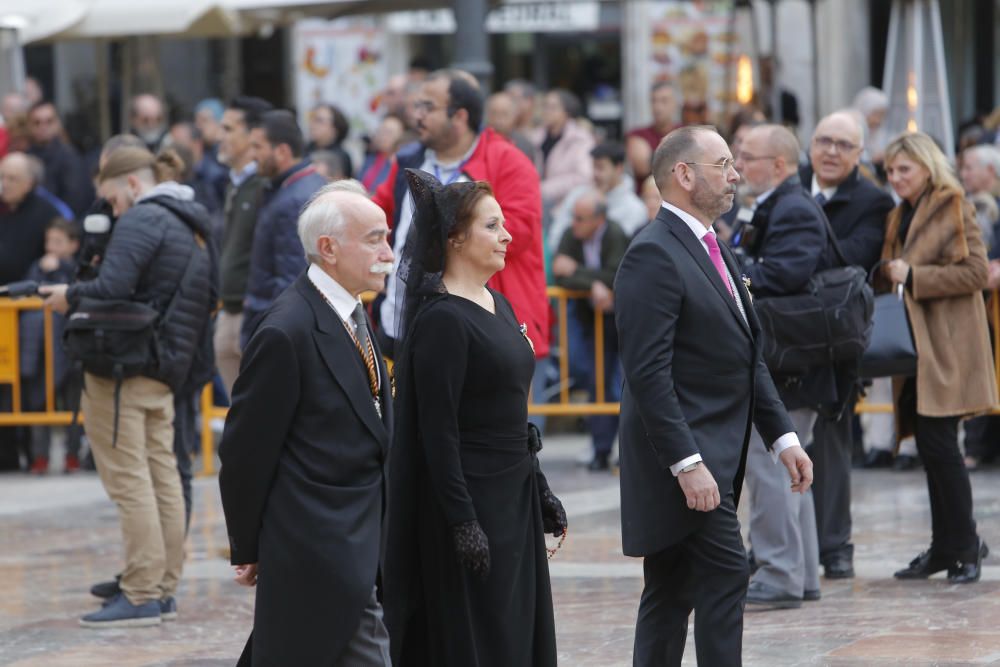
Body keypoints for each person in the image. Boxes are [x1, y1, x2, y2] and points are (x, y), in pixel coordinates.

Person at [615, 125, 812, 666]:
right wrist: (686, 462)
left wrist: (783, 437)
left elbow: (747, 354)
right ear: (683, 175)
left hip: (712, 452)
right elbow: (648, 373)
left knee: (671, 587)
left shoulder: (711, 242)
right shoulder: (652, 253)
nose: (734, 175)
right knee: (726, 571)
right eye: (722, 164)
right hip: (681, 454)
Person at [383, 169, 564, 667]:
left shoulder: (499, 304)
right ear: (455, 238)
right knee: (479, 628)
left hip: (513, 494)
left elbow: (509, 406)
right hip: (470, 498)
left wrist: (539, 486)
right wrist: (462, 521)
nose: (507, 236)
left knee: (516, 623)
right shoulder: (443, 319)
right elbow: (435, 433)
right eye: (492, 226)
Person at [218, 184, 395, 666]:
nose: (388, 253)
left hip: (360, 538)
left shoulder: (352, 312)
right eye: (375, 239)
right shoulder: (286, 329)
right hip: (317, 541)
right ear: (329, 249)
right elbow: (245, 450)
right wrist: (249, 544)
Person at [40, 145, 216, 627]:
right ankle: (161, 586)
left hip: (123, 366)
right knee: (160, 477)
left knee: (129, 480)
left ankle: (140, 592)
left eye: (113, 201)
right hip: (165, 367)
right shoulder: (192, 220)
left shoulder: (144, 218)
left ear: (133, 185)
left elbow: (110, 287)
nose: (113, 211)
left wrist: (67, 295)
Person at [879, 131, 995, 584]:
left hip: (947, 344)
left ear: (927, 167)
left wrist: (916, 276)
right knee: (930, 445)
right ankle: (948, 545)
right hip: (916, 347)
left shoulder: (951, 203)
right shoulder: (900, 214)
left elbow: (976, 272)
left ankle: (964, 546)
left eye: (903, 169)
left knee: (942, 445)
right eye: (890, 170)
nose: (895, 177)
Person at [373, 69, 548, 365]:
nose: (417, 116)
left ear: (460, 117)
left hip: (489, 329)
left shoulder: (508, 161)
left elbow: (516, 234)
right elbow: (379, 216)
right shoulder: (407, 161)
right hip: (404, 323)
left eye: (428, 107)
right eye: (417, 106)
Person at [731, 123, 837, 610]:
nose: (738, 165)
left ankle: (778, 573)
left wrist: (730, 270)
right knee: (795, 467)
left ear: (778, 164)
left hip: (791, 366)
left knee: (771, 463)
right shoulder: (779, 205)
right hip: (793, 365)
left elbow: (786, 273)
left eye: (746, 156)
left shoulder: (793, 208)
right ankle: (801, 573)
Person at [799, 110, 895, 580]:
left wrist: (795, 248)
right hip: (783, 334)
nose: (830, 151)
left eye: (842, 144)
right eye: (823, 141)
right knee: (775, 443)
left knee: (831, 444)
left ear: (859, 155)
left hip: (836, 338)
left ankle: (835, 546)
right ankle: (780, 543)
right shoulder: (791, 185)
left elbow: (854, 261)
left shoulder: (873, 201)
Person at [551, 190, 628, 471]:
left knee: (619, 384)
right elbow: (559, 271)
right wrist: (594, 284)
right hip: (590, 320)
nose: (575, 223)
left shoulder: (615, 234)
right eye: (574, 217)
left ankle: (625, 450)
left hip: (618, 321)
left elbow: (616, 274)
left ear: (599, 219)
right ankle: (600, 449)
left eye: (581, 218)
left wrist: (582, 274)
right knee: (596, 384)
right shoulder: (572, 235)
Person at [240, 109, 326, 345]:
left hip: (275, 328)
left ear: (282, 151)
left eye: (258, 147)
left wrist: (266, 329)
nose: (252, 155)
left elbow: (291, 280)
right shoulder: (288, 188)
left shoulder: (295, 199)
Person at [213, 96, 272, 397]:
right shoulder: (236, 183)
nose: (220, 136)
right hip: (232, 307)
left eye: (228, 128)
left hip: (253, 311)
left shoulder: (264, 185)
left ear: (253, 135)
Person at [21, 218, 83, 475]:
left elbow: (78, 289)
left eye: (58, 242)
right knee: (39, 401)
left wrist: (63, 268)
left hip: (71, 347)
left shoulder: (77, 267)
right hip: (42, 349)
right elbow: (29, 291)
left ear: (73, 245)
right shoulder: (38, 267)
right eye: (49, 241)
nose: (51, 247)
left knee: (73, 405)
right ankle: (40, 457)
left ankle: (73, 454)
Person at [548, 140, 649, 251]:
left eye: (601, 168)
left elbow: (621, 250)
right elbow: (555, 238)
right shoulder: (577, 195)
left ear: (619, 168)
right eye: (594, 167)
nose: (595, 173)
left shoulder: (635, 208)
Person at [26, 101, 94, 217]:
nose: (43, 127)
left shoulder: (71, 157)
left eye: (49, 121)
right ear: (29, 126)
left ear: (58, 123)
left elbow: (77, 201)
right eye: (37, 123)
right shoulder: (25, 158)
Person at [0, 152, 58, 284]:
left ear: (29, 184)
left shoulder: (48, 212)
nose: (5, 184)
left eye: (12, 179)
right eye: (2, 177)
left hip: (28, 295)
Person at [533, 89, 595, 211]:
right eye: (545, 106)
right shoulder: (536, 137)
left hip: (566, 208)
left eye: (553, 107)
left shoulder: (580, 139)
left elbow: (583, 177)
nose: (546, 111)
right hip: (538, 205)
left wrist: (543, 189)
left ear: (566, 112)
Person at [625, 82, 679, 195]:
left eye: (664, 101)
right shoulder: (637, 134)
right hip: (648, 203)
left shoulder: (686, 131)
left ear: (675, 104)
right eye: (654, 101)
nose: (657, 107)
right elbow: (642, 167)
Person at [359, 114, 405, 193]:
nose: (383, 136)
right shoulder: (370, 158)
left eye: (389, 133)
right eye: (380, 131)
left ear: (400, 137)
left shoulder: (400, 164)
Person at [485, 91, 536, 161]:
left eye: (504, 114)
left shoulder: (524, 146)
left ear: (514, 115)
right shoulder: (478, 142)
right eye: (494, 113)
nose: (498, 120)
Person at [306, 103, 354, 177]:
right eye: (312, 119)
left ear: (334, 129)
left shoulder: (341, 157)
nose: (312, 124)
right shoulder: (305, 149)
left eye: (319, 120)